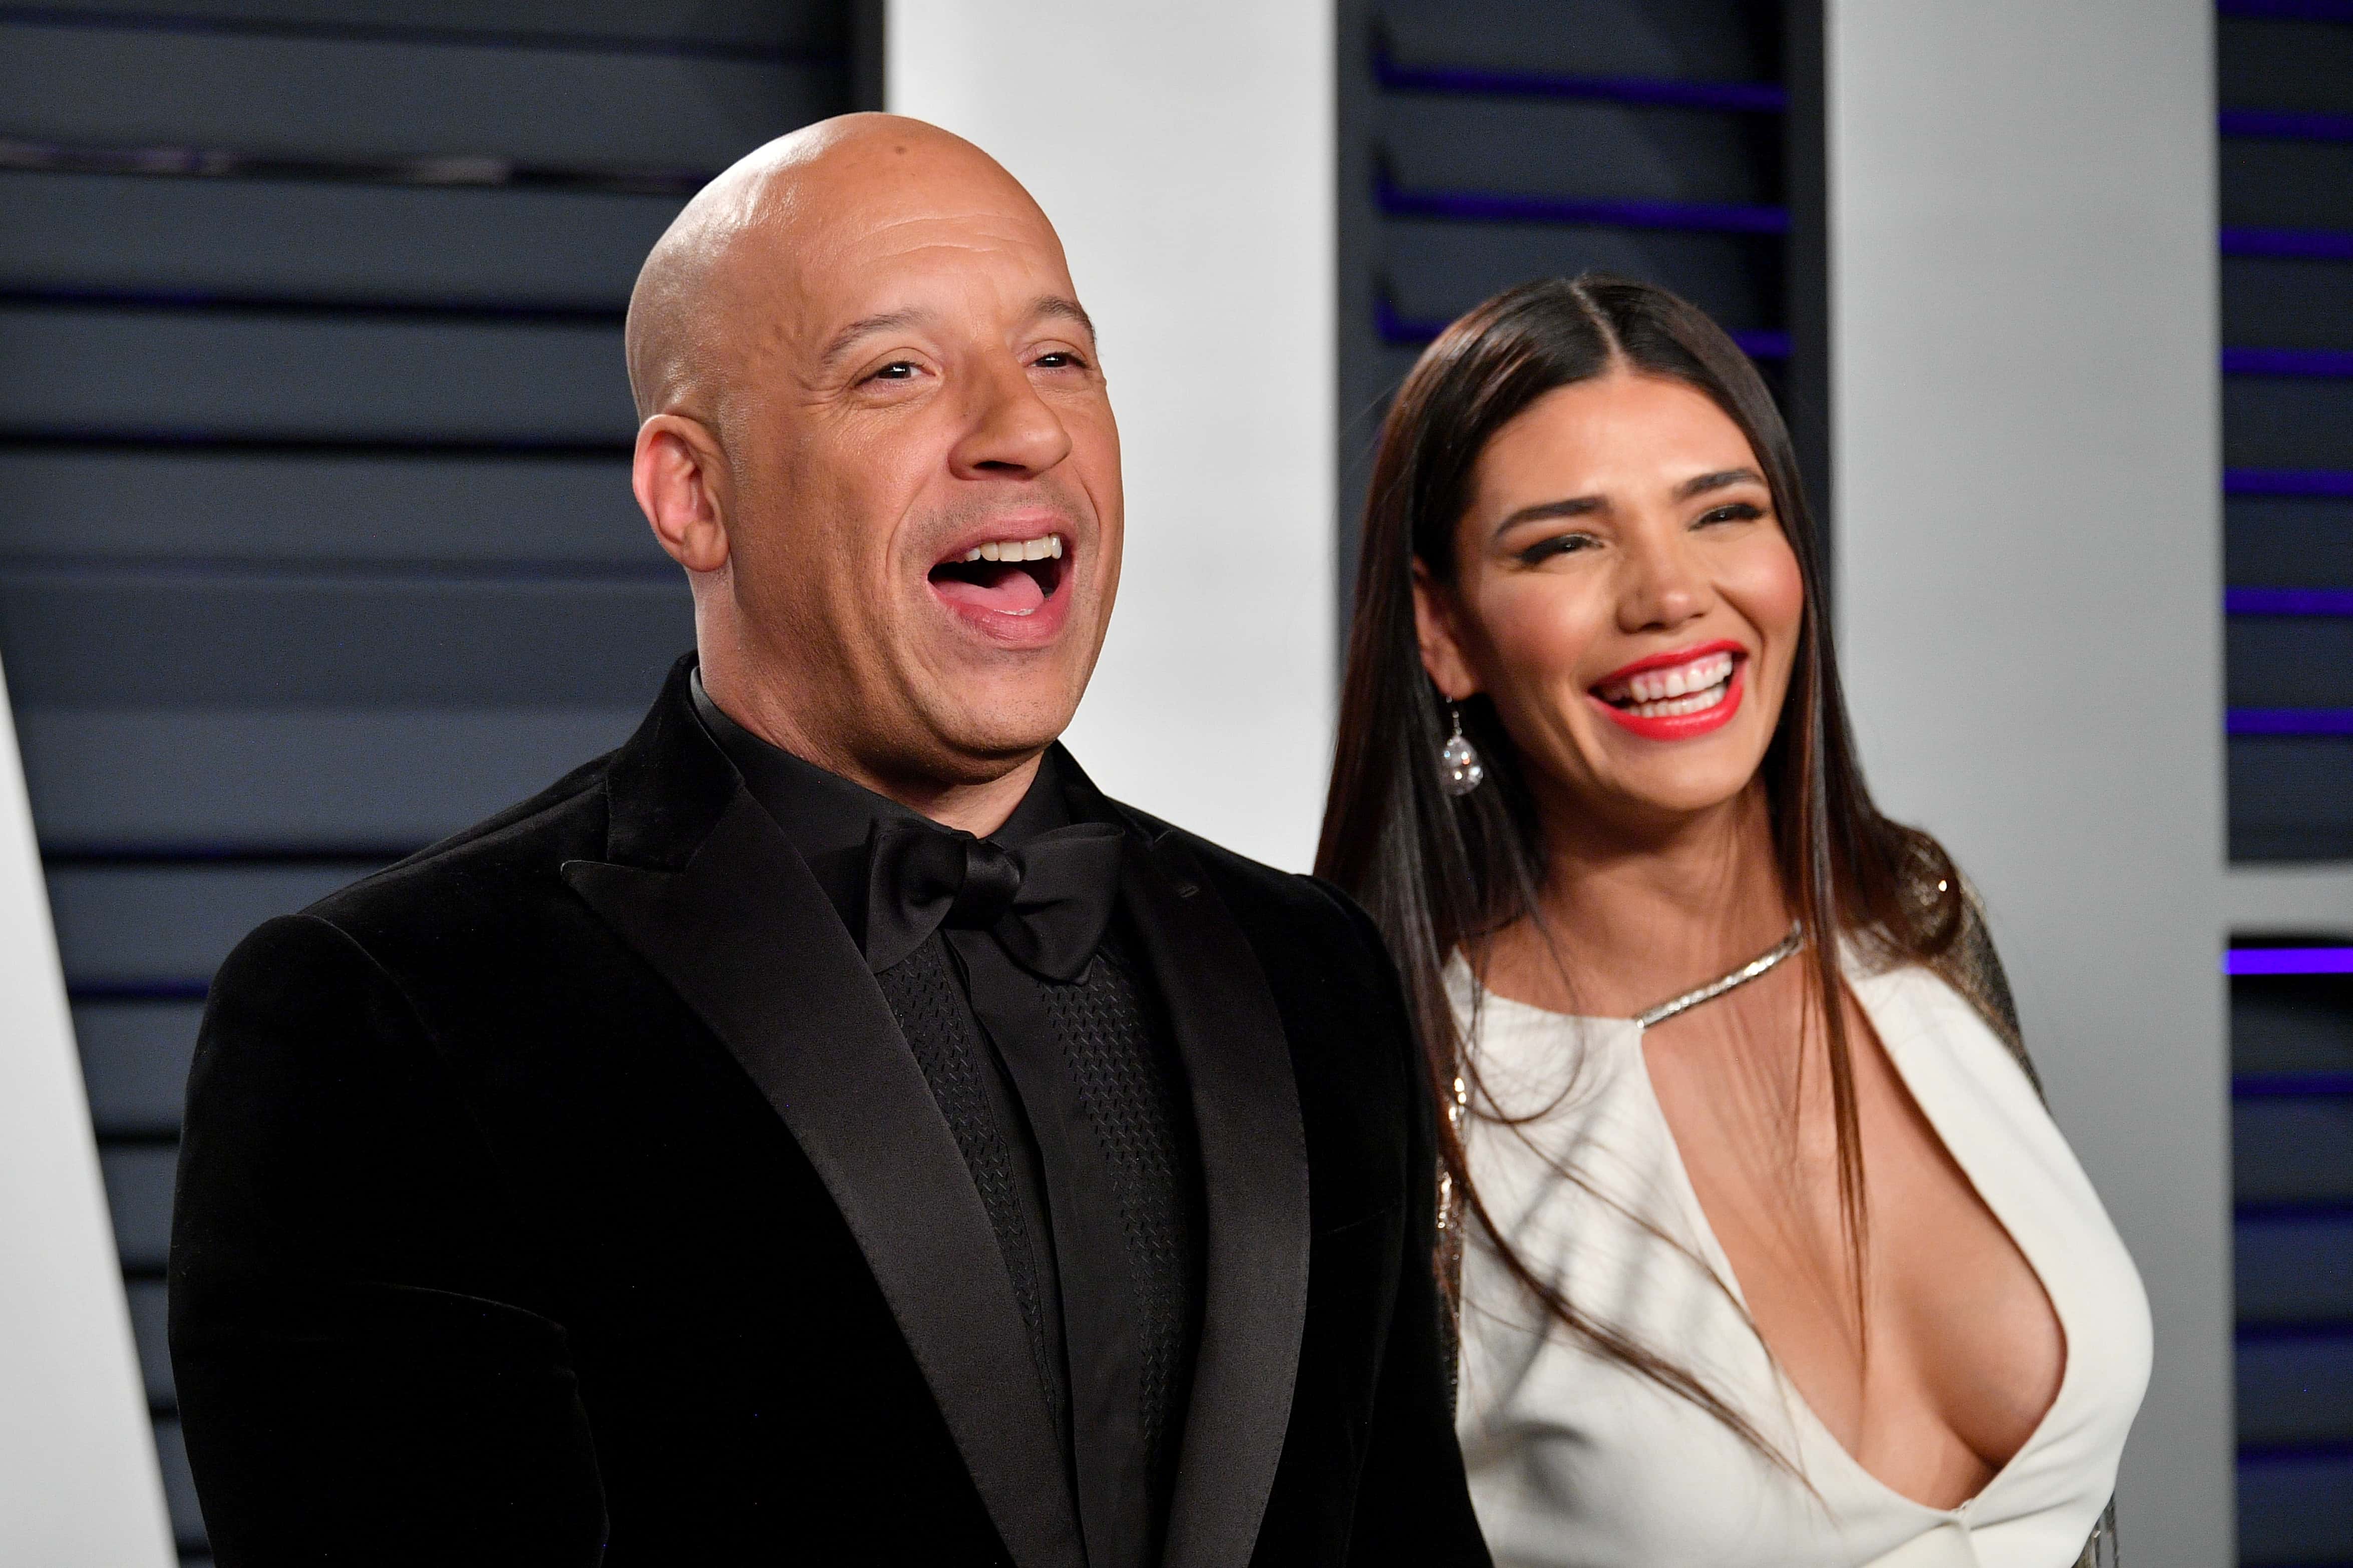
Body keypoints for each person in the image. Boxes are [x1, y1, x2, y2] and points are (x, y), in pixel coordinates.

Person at [170, 115, 1487, 1568]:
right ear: (693, 492)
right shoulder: (388, 1014)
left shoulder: (1313, 971)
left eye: (1058, 358)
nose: (1023, 429)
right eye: (896, 373)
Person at [1316, 275, 2150, 1567]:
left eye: (1723, 513)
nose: (1670, 594)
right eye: (1562, 542)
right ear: (1443, 632)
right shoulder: (1399, 1095)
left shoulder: (1919, 923)